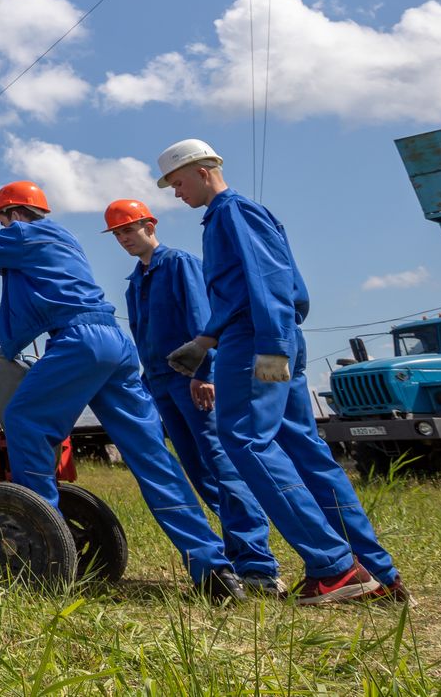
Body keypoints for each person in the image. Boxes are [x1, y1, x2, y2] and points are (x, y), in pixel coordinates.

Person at [0, 181, 246, 598]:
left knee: (24, 420)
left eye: (2, 219)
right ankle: (213, 569)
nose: (2, 226)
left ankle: (43, 547)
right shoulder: (61, 240)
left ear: (15, 214)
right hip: (114, 343)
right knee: (151, 458)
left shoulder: (26, 232)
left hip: (79, 340)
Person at [158, 139, 407, 605]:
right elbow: (243, 289)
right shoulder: (229, 215)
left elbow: (269, 281)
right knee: (298, 443)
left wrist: (269, 348)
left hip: (258, 342)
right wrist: (207, 340)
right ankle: (375, 569)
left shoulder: (233, 211)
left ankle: (334, 567)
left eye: (177, 183)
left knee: (246, 439)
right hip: (262, 340)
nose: (175, 194)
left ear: (204, 169)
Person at [104, 198, 282, 593]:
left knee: (223, 467)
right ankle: (232, 560)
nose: (125, 239)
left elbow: (201, 319)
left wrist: (204, 373)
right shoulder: (136, 281)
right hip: (160, 383)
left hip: (191, 380)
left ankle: (259, 567)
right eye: (118, 234)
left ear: (150, 224)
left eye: (129, 229)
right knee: (200, 472)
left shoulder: (178, 263)